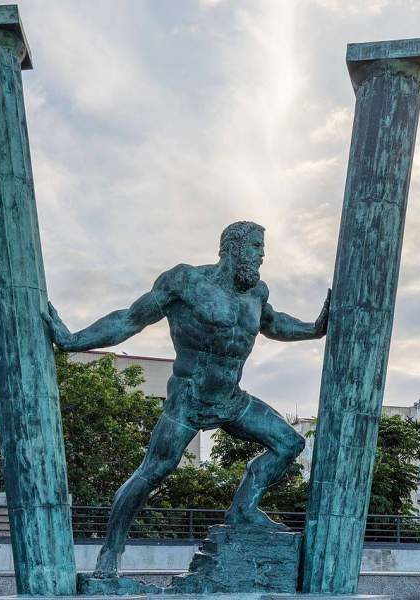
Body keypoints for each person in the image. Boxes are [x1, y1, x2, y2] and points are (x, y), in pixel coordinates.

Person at [43, 221, 330, 576]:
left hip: (231, 399)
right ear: (233, 248)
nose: (262, 255)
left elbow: (274, 324)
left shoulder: (257, 293)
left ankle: (243, 508)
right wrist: (72, 341)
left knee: (289, 443)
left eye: (262, 247)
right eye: (256, 246)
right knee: (154, 470)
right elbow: (129, 319)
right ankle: (110, 552)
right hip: (189, 399)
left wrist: (315, 329)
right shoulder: (185, 281)